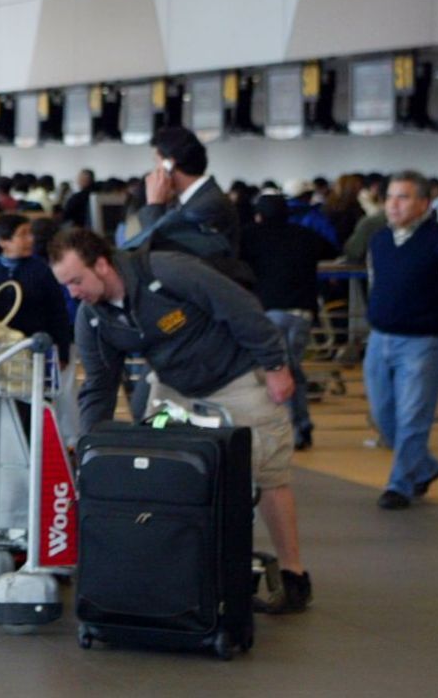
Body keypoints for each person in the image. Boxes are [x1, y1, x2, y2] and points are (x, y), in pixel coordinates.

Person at [52, 226, 312, 612]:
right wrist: (91, 445)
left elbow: (239, 308)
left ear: (103, 265)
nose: (73, 293)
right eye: (65, 285)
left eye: (76, 281)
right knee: (161, 471)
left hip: (235, 375)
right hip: (174, 391)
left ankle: (293, 576)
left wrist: (275, 365)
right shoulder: (93, 318)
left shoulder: (167, 271)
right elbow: (100, 384)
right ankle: (175, 569)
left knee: (268, 472)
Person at [364, 171, 438, 509]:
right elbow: (376, 283)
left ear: (424, 203)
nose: (393, 204)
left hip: (421, 342)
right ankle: (427, 467)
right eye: (390, 197)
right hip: (380, 338)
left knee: (412, 417)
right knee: (383, 415)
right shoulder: (379, 240)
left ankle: (400, 485)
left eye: (402, 197)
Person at [239, 194, 337, 451]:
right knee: (291, 368)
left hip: (268, 312)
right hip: (302, 312)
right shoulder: (303, 234)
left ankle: (295, 427)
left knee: (280, 369)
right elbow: (333, 250)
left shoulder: (249, 236)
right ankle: (300, 424)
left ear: (259, 215)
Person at [129, 126, 241, 264]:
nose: (154, 170)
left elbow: (158, 248)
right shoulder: (190, 200)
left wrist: (154, 204)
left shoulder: (208, 205)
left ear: (169, 164)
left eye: (156, 163)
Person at [0, 213, 73, 362]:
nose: (31, 239)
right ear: (3, 241)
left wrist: (62, 352)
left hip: (35, 348)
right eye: (23, 234)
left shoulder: (40, 269)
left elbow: (58, 311)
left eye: (30, 234)